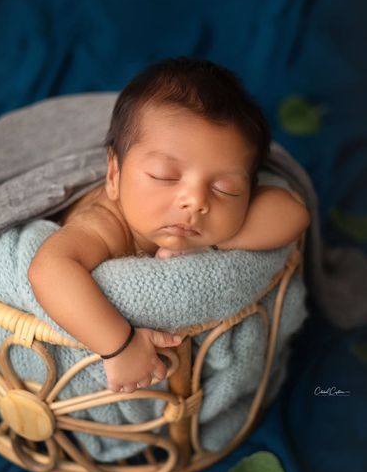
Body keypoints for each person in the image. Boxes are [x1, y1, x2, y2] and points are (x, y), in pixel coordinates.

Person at [29, 57, 310, 394]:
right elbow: (49, 269)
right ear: (115, 175)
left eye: (225, 188)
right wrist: (120, 345)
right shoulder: (105, 224)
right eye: (165, 175)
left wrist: (211, 243)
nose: (195, 201)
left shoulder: (211, 216)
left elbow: (293, 213)